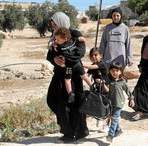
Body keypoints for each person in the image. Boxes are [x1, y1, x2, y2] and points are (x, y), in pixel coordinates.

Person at [46, 12, 89, 143]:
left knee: (73, 104)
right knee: (53, 100)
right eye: (52, 25)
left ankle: (75, 132)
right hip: (59, 75)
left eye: (55, 24)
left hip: (74, 75)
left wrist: (64, 58)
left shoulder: (75, 34)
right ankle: (69, 130)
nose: (53, 27)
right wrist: (55, 58)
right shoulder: (55, 37)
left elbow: (80, 52)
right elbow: (49, 55)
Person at [53, 27, 92, 103]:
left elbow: (56, 51)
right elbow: (80, 39)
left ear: (65, 39)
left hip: (69, 66)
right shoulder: (72, 40)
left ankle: (70, 93)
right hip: (78, 63)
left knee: (67, 80)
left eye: (58, 40)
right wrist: (83, 39)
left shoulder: (59, 47)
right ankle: (92, 86)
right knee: (84, 76)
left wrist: (54, 45)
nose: (56, 41)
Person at [103, 62, 135, 142]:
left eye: (117, 70)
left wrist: (131, 99)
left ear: (120, 71)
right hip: (110, 102)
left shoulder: (122, 81)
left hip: (119, 103)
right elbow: (106, 91)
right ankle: (118, 130)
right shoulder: (108, 80)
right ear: (109, 71)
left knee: (114, 118)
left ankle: (110, 134)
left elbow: (128, 91)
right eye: (113, 70)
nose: (115, 72)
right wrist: (102, 84)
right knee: (114, 118)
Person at [83, 47, 109, 132]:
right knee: (98, 105)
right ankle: (100, 119)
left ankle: (106, 125)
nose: (94, 57)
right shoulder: (93, 66)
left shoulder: (101, 64)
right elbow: (86, 75)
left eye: (95, 55)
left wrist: (80, 64)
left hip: (105, 88)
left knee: (106, 107)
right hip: (97, 90)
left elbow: (91, 67)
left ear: (101, 56)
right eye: (92, 55)